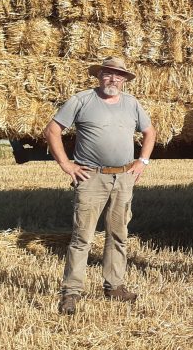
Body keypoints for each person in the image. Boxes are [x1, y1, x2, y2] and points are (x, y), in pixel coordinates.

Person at [44, 56, 157, 315]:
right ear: (99, 75)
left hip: (123, 177)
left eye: (119, 75)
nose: (113, 79)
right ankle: (71, 292)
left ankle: (114, 286)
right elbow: (52, 130)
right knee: (82, 236)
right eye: (108, 73)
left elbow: (150, 132)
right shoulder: (82, 100)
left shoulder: (131, 104)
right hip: (91, 177)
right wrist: (67, 165)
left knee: (118, 235)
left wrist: (143, 161)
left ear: (125, 80)